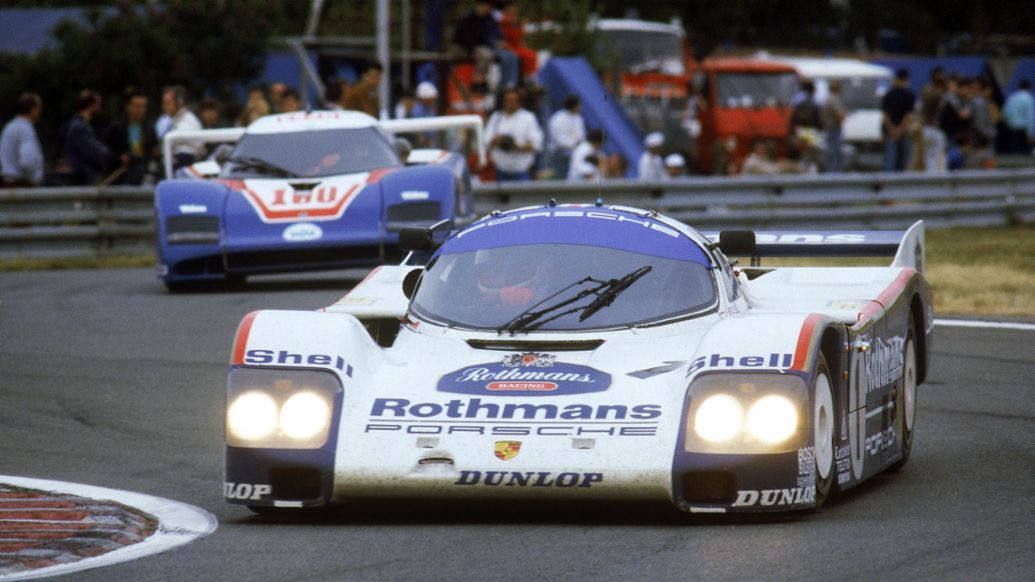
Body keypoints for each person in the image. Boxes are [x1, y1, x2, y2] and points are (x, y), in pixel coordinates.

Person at [452, 0, 519, 92]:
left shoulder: (488, 18)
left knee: (512, 56)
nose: (488, 9)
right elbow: (467, 39)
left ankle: (510, 84)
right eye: (486, 6)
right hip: (464, 47)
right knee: (485, 54)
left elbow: (496, 33)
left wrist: (500, 42)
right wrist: (491, 44)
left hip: (483, 46)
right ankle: (478, 81)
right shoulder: (469, 18)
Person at [485, 87, 543, 181]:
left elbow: (536, 145)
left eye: (513, 101)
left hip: (521, 170)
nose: (510, 103)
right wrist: (498, 140)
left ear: (518, 102)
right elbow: (486, 142)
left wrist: (515, 146)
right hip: (500, 169)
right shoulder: (496, 118)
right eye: (507, 100)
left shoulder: (528, 118)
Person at [102, 88, 157, 185]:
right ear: (128, 107)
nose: (140, 110)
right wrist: (119, 157)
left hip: (143, 175)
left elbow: (153, 150)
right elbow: (104, 150)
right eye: (137, 106)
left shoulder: (149, 128)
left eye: (143, 106)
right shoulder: (116, 127)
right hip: (121, 175)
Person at [62, 90, 115, 185]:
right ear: (91, 105)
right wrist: (111, 155)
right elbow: (94, 152)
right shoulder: (79, 127)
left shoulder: (78, 125)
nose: (99, 108)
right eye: (98, 104)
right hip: (83, 178)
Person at [0, 92, 45, 186]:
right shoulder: (25, 129)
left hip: (8, 181)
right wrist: (34, 179)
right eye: (39, 108)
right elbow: (27, 162)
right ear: (33, 109)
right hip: (23, 184)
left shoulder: (10, 126)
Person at [161, 85, 203, 171]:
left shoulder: (188, 122)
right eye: (164, 103)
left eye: (168, 103)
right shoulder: (171, 120)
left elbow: (185, 158)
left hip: (184, 168)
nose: (164, 106)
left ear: (180, 102)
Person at [881, 68, 916, 172]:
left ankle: (887, 182)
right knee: (904, 158)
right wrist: (900, 130)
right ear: (906, 80)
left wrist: (892, 130)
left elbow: (886, 115)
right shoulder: (909, 95)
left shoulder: (889, 94)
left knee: (890, 158)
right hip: (904, 131)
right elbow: (908, 116)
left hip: (890, 131)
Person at [498, 0, 538, 85]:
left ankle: (529, 76)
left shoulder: (516, 23)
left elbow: (519, 39)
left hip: (516, 47)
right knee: (522, 55)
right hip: (507, 47)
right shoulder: (501, 23)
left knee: (531, 54)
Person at [548, 94, 586, 179]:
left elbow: (581, 136)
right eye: (579, 105)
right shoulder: (557, 118)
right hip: (560, 155)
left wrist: (577, 144)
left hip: (575, 154)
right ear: (574, 105)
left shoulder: (578, 118)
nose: (581, 107)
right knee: (561, 177)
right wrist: (573, 144)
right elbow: (559, 140)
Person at [820, 80, 847, 172]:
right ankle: (834, 174)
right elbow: (840, 115)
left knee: (829, 152)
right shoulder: (834, 99)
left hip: (828, 128)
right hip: (834, 129)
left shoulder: (827, 99)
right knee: (835, 153)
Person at [1003, 80, 1035, 154]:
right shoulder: (1029, 99)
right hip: (1024, 130)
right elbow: (1030, 117)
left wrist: (1009, 125)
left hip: (1012, 130)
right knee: (1024, 156)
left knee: (1014, 154)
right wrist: (1031, 133)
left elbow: (1005, 113)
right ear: (1029, 88)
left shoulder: (1012, 98)